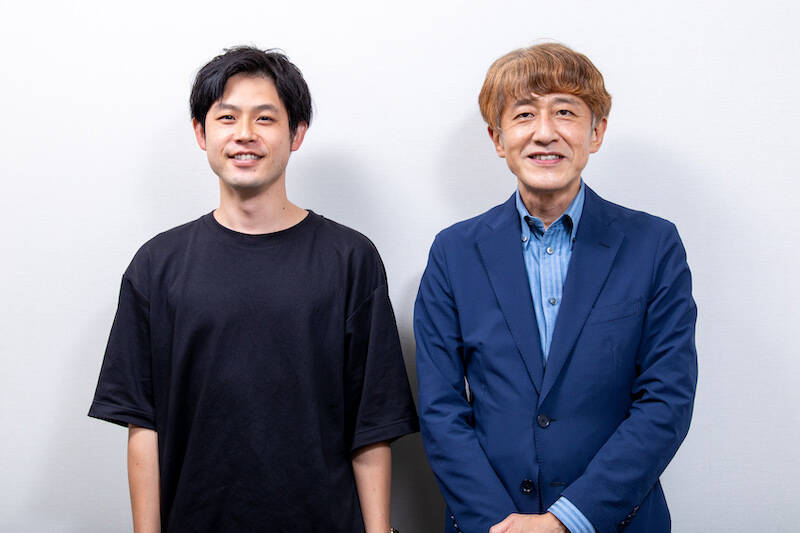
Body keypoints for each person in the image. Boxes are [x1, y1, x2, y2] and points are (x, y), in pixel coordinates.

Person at [89, 46, 418, 533]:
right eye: (227, 118)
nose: (245, 134)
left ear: (296, 133)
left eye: (265, 118)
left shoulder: (350, 259)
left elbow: (372, 424)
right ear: (201, 133)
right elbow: (144, 423)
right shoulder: (157, 265)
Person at [414, 43, 697, 533]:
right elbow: (441, 409)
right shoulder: (453, 252)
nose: (545, 132)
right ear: (498, 139)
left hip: (616, 521)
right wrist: (499, 523)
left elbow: (666, 401)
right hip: (489, 523)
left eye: (565, 112)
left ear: (596, 132)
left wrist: (568, 520)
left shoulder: (654, 245)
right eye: (524, 114)